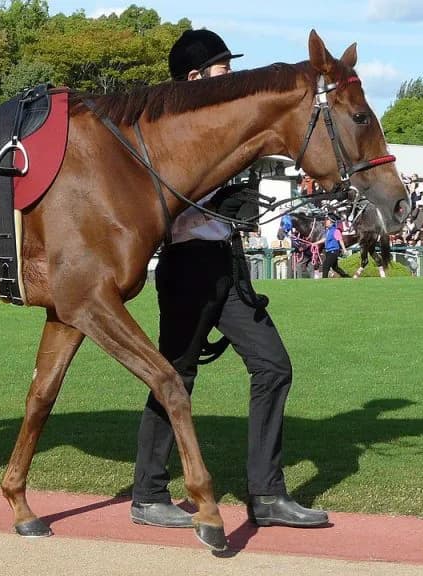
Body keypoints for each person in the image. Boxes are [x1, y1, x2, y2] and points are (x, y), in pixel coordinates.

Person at [130, 28, 327, 530]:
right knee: (174, 376)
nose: (230, 75)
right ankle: (148, 494)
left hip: (227, 265)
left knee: (273, 366)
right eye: (223, 69)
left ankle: (266, 494)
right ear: (195, 77)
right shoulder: (167, 129)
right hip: (188, 266)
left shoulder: (231, 128)